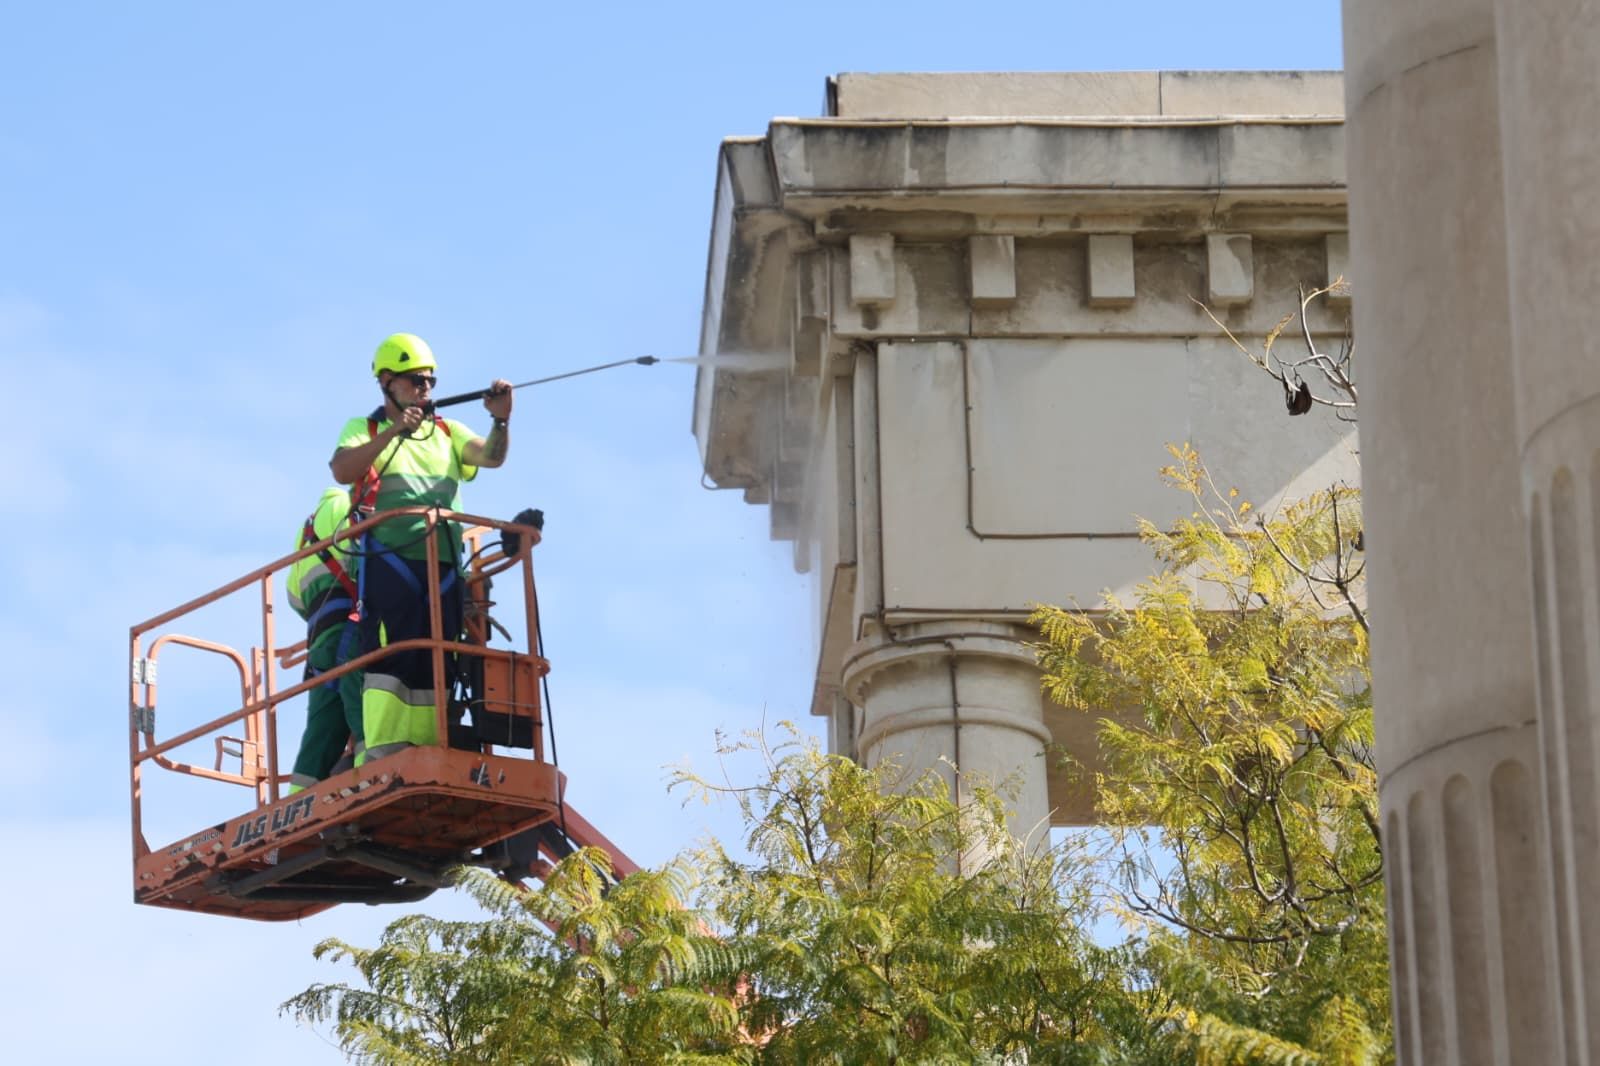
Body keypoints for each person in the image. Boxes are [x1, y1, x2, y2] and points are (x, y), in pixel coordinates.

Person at [329, 332, 513, 763]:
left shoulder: (447, 432)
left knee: (438, 656)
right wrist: (395, 430)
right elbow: (342, 469)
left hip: (444, 565)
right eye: (415, 381)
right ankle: (382, 754)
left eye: (429, 381)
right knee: (391, 659)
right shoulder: (367, 428)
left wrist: (500, 420)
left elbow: (490, 456)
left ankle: (432, 749)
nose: (425, 389)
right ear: (387, 381)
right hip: (389, 563)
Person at [284, 486, 364, 791]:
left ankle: (298, 801)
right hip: (351, 629)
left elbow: (294, 598)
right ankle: (373, 771)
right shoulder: (349, 506)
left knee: (321, 730)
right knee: (362, 708)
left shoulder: (303, 535)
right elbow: (364, 557)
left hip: (319, 639)